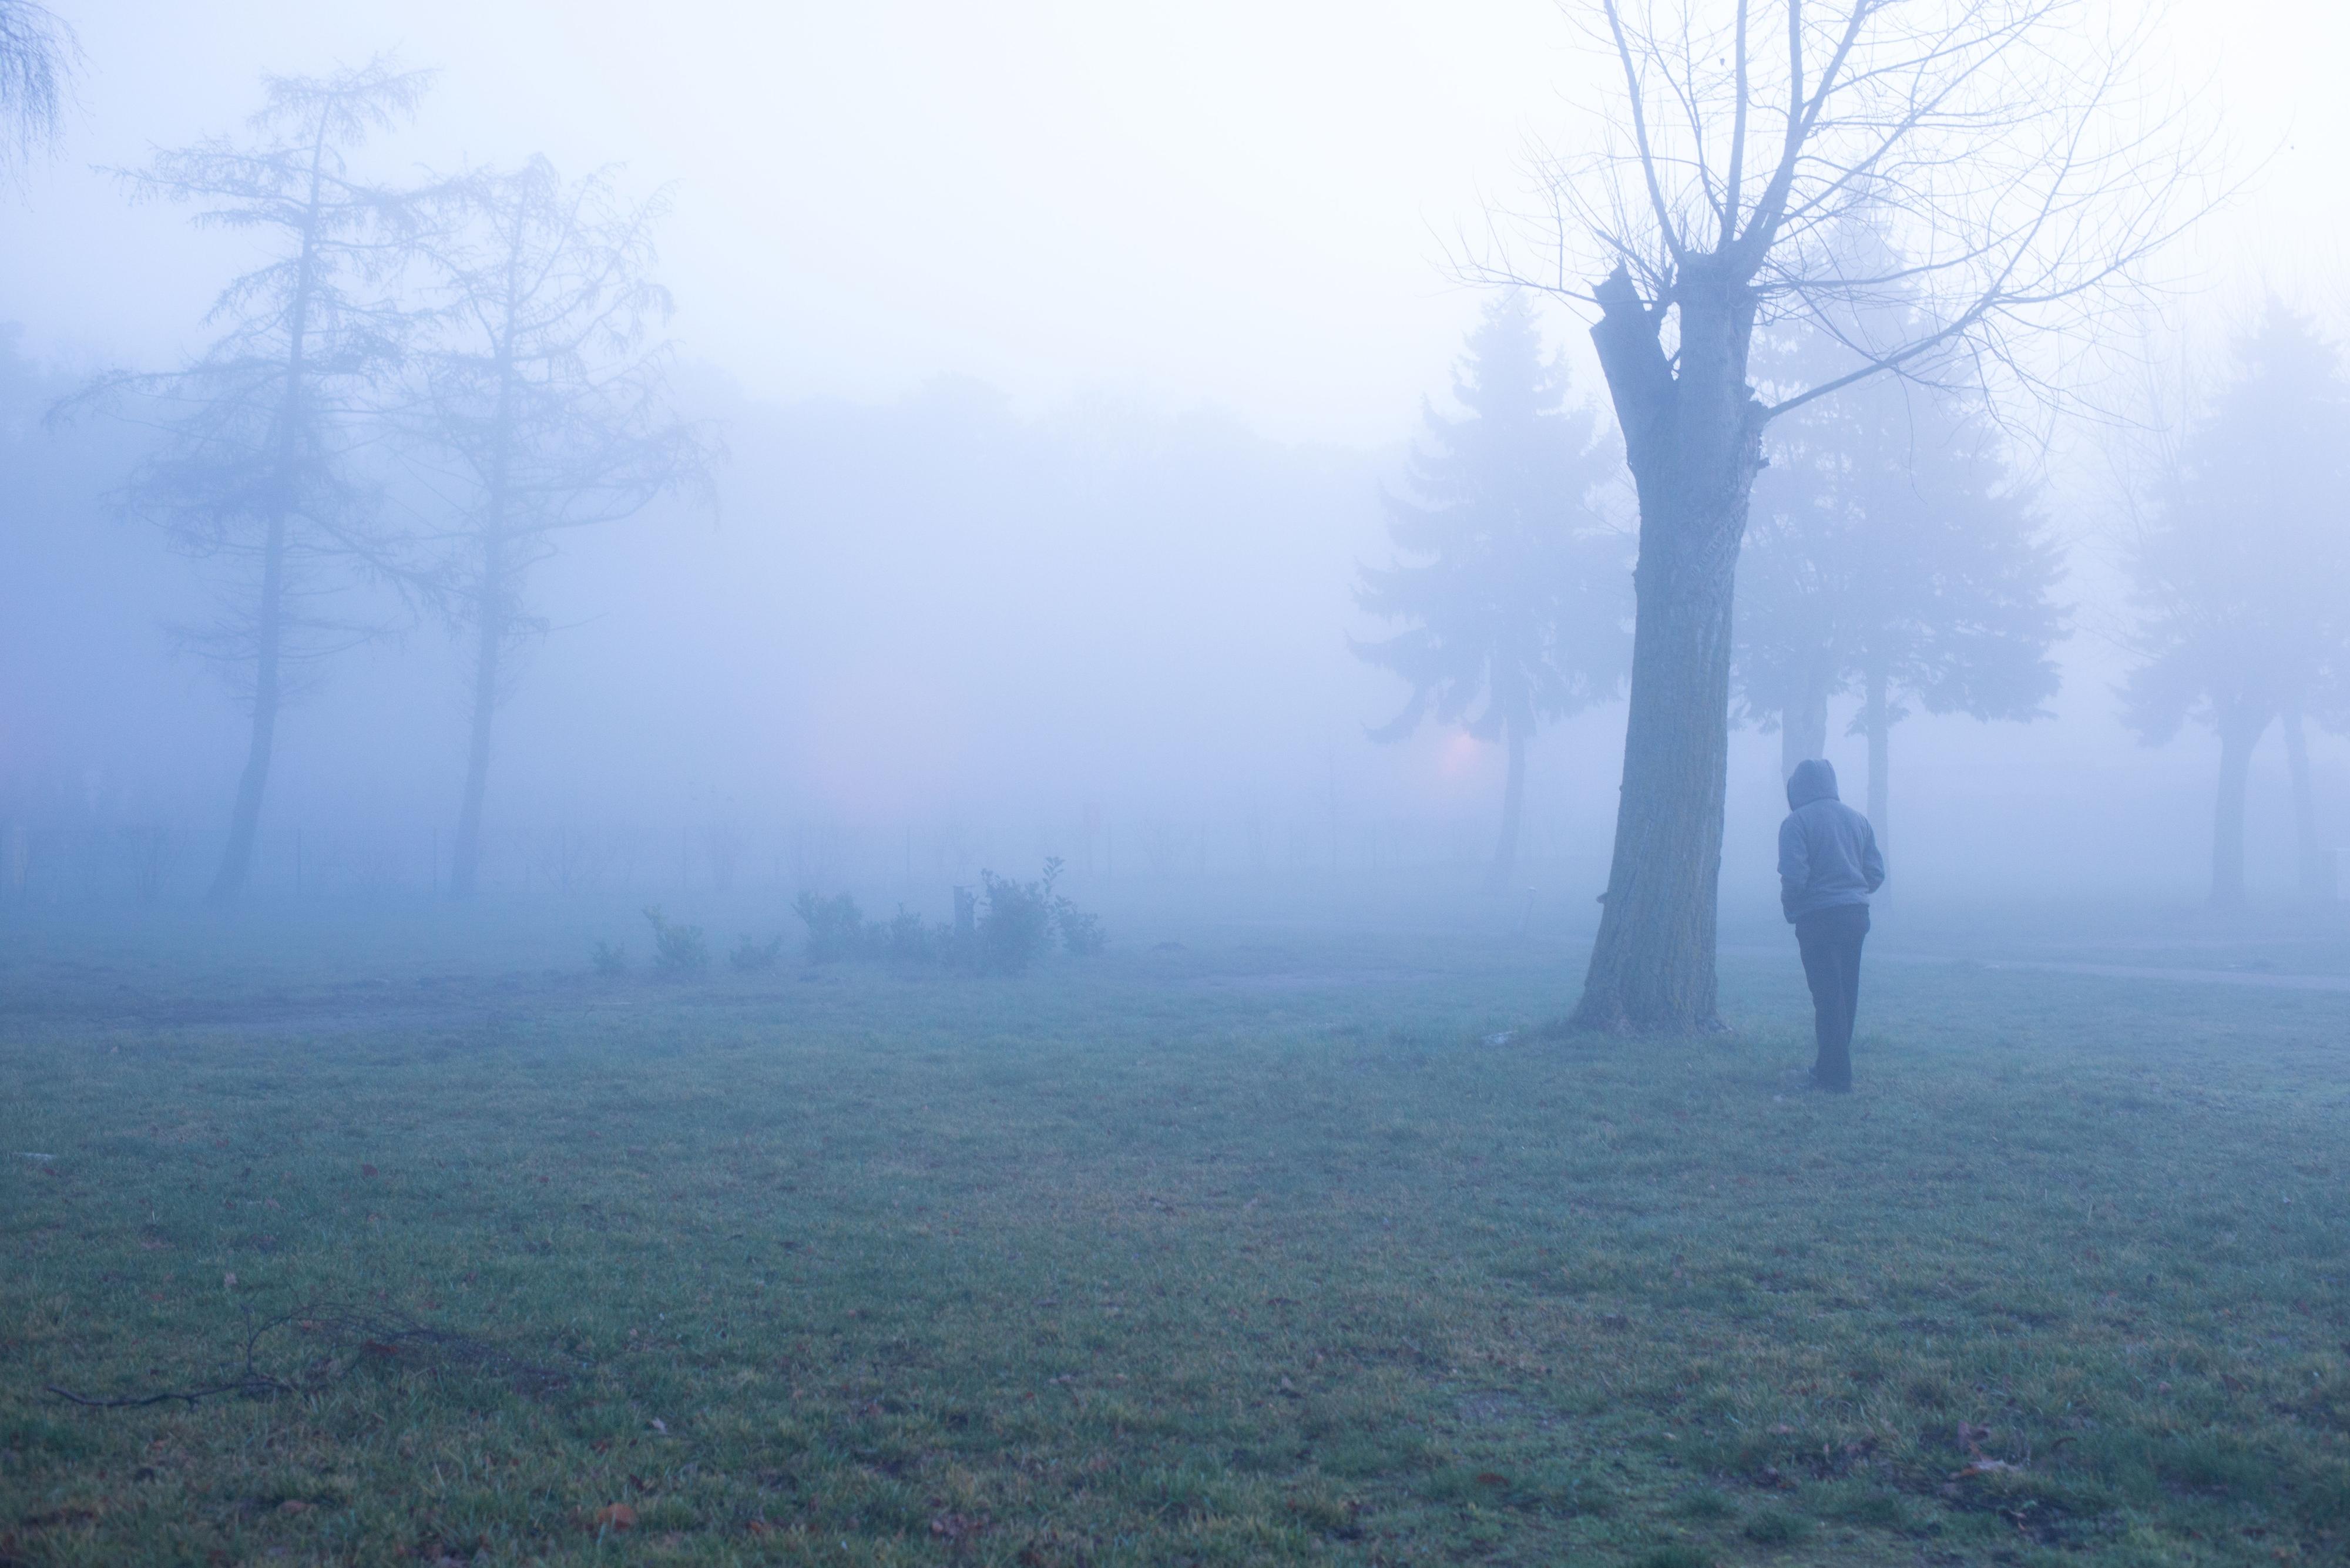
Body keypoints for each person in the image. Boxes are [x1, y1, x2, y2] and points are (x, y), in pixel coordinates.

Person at [1778, 758, 1884, 1092]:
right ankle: (1830, 1066)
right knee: (1846, 993)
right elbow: (1876, 874)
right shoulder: (1858, 820)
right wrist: (1852, 890)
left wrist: (1791, 908)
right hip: (1856, 916)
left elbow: (1795, 877)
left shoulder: (1795, 823)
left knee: (1826, 998)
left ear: (1796, 789)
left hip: (1818, 919)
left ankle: (1835, 1077)